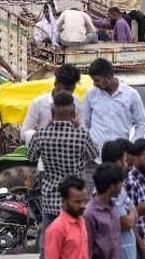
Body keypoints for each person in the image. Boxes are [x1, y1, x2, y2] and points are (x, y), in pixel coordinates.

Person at [31, 93, 98, 234]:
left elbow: (31, 157)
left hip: (50, 200)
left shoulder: (41, 135)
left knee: (49, 245)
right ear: (74, 112)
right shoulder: (81, 135)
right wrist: (79, 127)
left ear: (52, 113)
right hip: (75, 202)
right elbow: (94, 155)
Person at [81, 58, 145, 153]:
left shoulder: (131, 94)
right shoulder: (91, 94)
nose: (95, 84)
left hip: (120, 157)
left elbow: (141, 122)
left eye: (97, 80)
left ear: (108, 77)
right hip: (95, 157)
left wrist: (133, 146)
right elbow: (85, 123)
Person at [21, 64, 82, 143]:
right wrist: (44, 135)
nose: (68, 93)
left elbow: (84, 129)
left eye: (71, 90)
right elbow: (24, 133)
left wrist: (77, 126)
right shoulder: (38, 103)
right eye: (65, 89)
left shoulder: (76, 101)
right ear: (56, 85)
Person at [42, 177, 90, 259]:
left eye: (84, 201)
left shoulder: (82, 220)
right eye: (77, 202)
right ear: (64, 201)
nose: (83, 205)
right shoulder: (57, 228)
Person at [86, 163, 125, 259]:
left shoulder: (113, 206)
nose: (122, 186)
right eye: (120, 183)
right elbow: (87, 249)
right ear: (111, 187)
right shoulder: (89, 214)